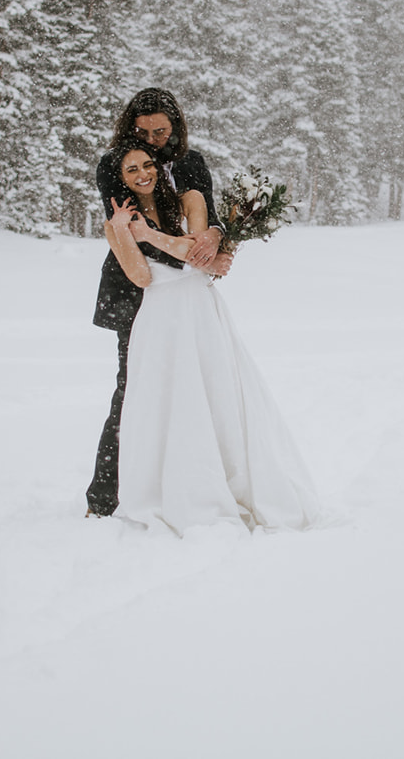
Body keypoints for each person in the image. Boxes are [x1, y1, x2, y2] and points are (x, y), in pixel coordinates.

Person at [101, 140, 321, 534]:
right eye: (131, 170)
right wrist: (122, 232)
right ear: (120, 179)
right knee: (165, 403)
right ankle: (167, 492)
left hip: (199, 312)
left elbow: (199, 257)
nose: (142, 174)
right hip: (157, 321)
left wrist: (149, 236)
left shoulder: (191, 199)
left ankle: (226, 483)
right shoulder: (117, 223)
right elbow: (141, 277)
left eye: (147, 165)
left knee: (216, 397)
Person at [85, 88, 229, 517]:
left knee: (194, 390)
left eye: (160, 132)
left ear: (176, 127)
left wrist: (216, 240)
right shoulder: (114, 164)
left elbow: (208, 214)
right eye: (143, 131)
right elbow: (129, 228)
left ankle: (187, 486)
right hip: (136, 290)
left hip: (185, 295)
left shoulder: (190, 164)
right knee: (133, 392)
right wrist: (191, 253)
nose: (151, 141)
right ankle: (106, 498)